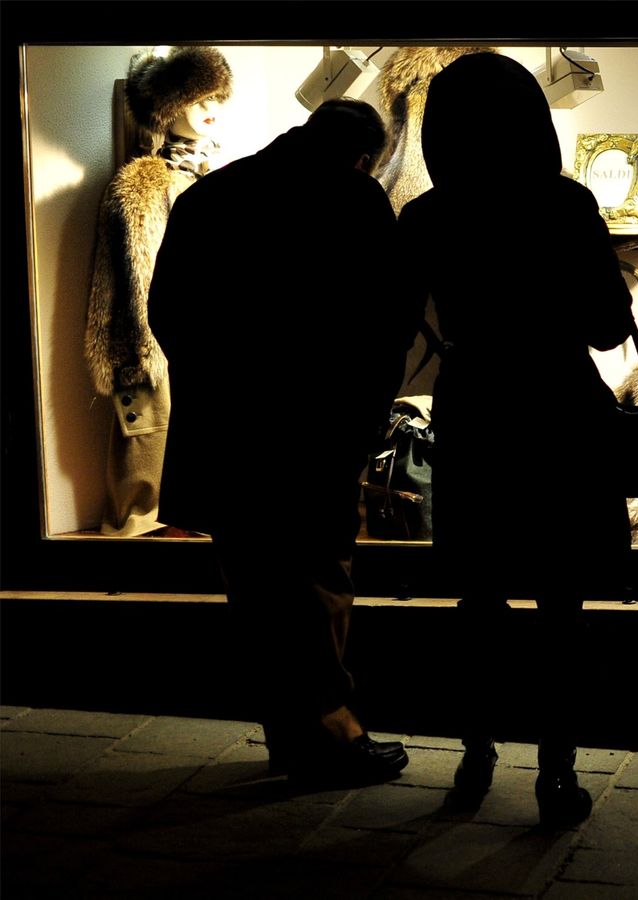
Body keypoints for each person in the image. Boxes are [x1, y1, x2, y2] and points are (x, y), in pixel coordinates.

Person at [148, 99, 418, 784]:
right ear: (364, 156)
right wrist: (361, 416)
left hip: (228, 430)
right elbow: (384, 325)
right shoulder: (353, 200)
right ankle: (332, 733)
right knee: (319, 576)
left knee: (257, 585)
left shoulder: (212, 196)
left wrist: (219, 385)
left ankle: (290, 735)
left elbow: (168, 314)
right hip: (314, 430)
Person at [398, 52, 633, 827]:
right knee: (560, 604)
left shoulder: (427, 216)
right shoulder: (564, 205)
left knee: (477, 600)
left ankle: (475, 756)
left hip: (477, 411)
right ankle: (555, 772)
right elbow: (605, 329)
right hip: (557, 408)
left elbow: (401, 330)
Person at [86, 46, 232, 536]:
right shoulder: (147, 184)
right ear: (169, 110)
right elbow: (134, 280)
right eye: (198, 99)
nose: (210, 109)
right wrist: (138, 353)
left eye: (216, 97)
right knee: (147, 457)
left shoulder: (217, 177)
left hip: (205, 340)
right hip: (158, 341)